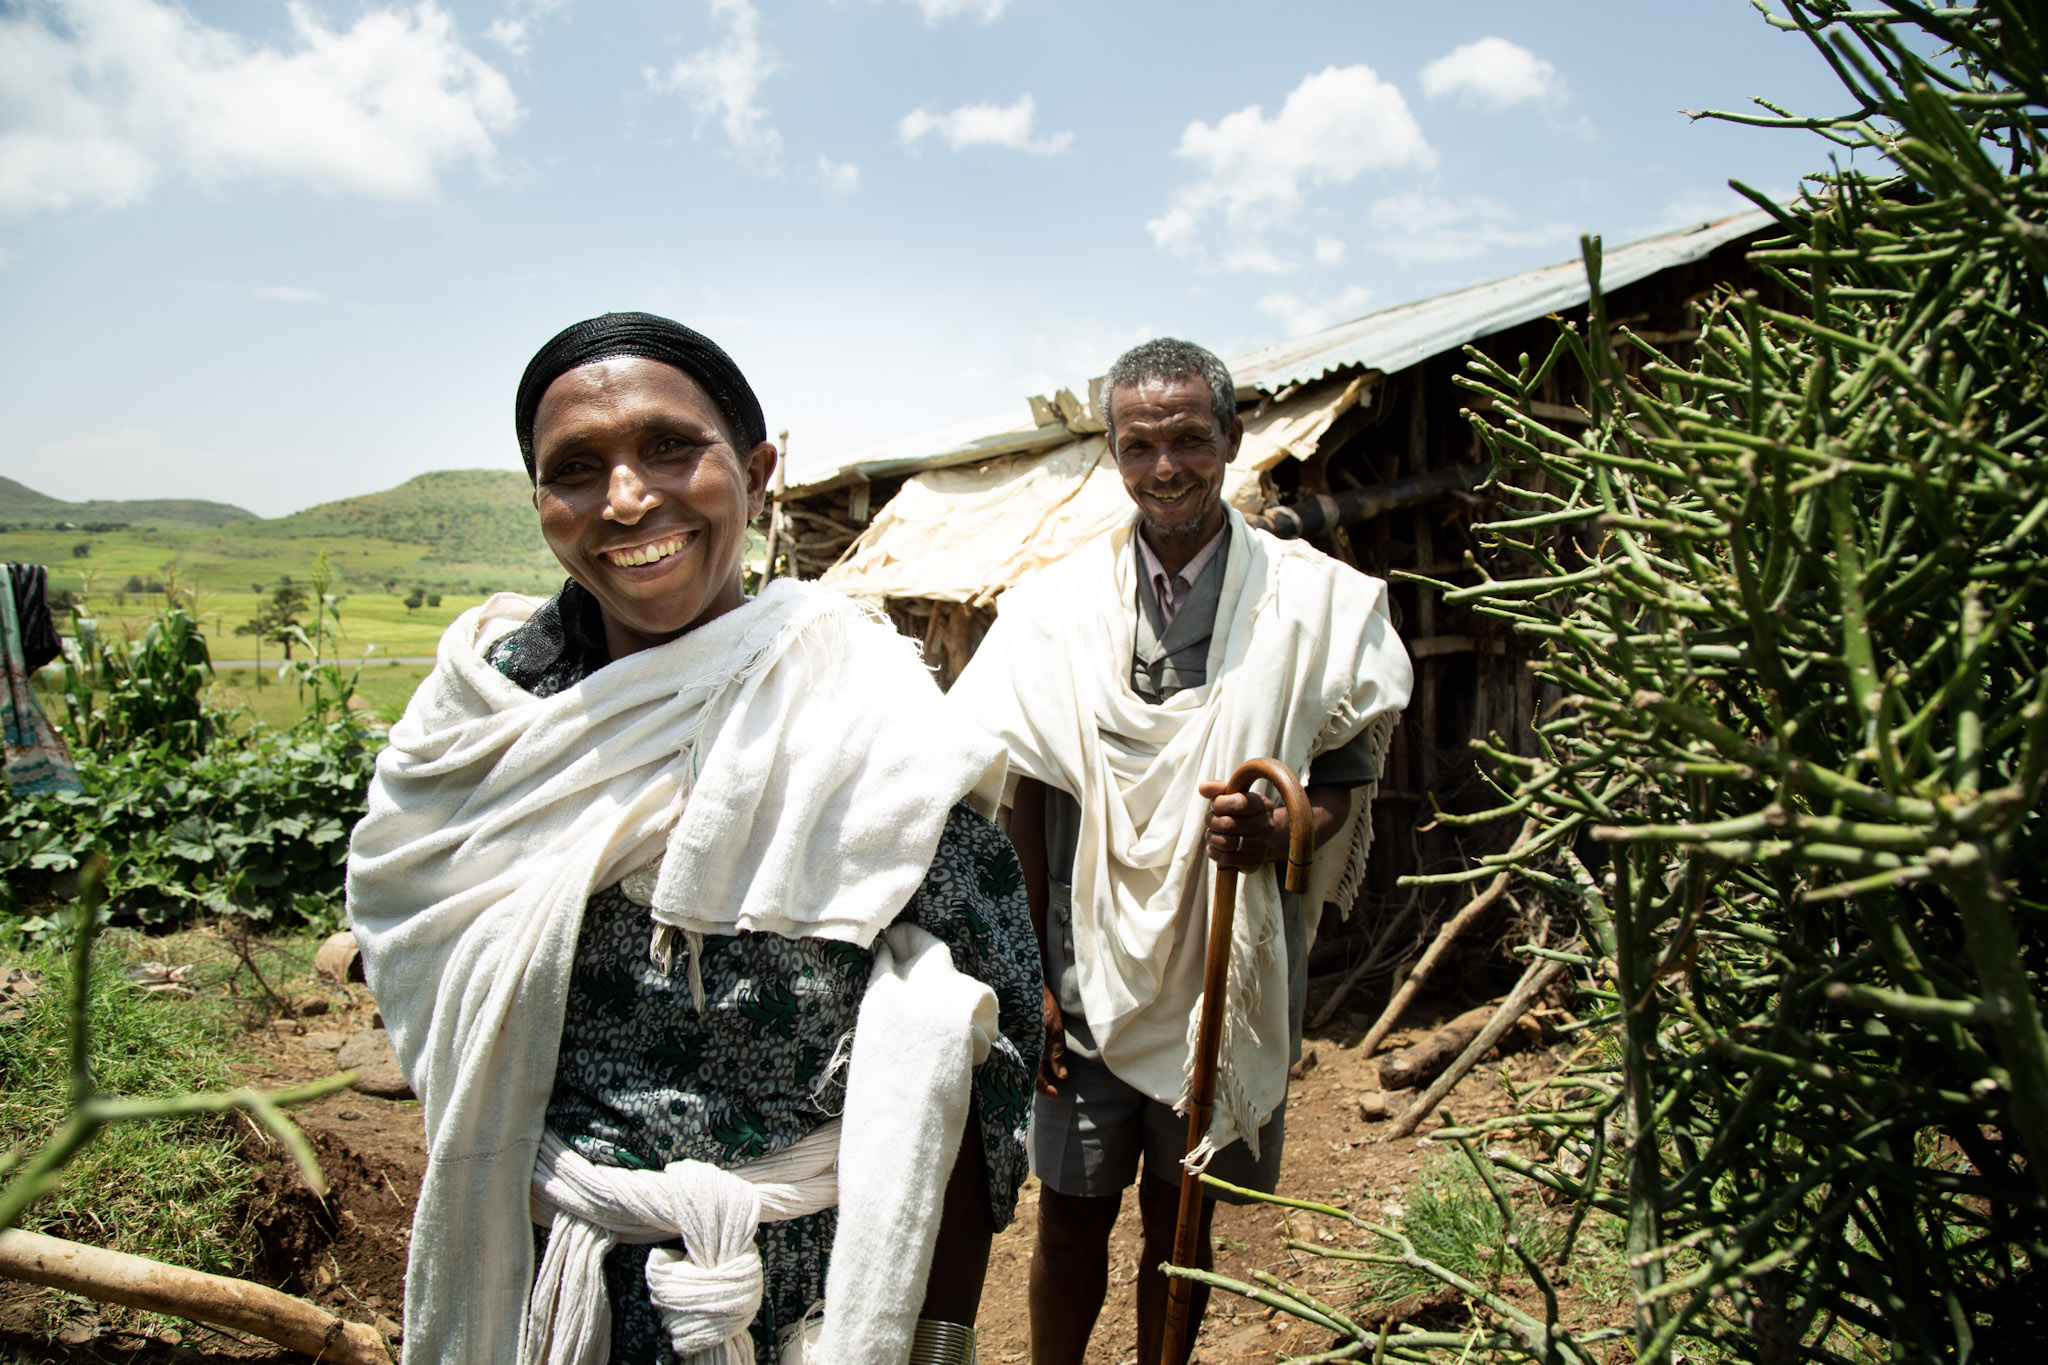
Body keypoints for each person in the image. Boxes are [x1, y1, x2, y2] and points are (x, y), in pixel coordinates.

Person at [346, 313, 1040, 1364]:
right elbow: (424, 975)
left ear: (756, 474)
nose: (627, 499)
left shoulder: (870, 720)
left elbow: (981, 1053)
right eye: (575, 468)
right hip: (544, 1298)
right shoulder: (478, 736)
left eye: (672, 447)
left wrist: (935, 1339)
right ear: (540, 503)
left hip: (805, 1307)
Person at [949, 338, 1412, 1363]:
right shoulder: (1050, 612)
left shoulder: (1313, 605)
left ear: (1232, 441)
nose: (1165, 469)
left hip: (1225, 966)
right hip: (1079, 968)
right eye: (1139, 445)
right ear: (1111, 454)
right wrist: (1028, 973)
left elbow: (1339, 778)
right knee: (1070, 1213)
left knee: (1182, 1214)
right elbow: (1019, 792)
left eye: (1189, 442)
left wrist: (1282, 829)